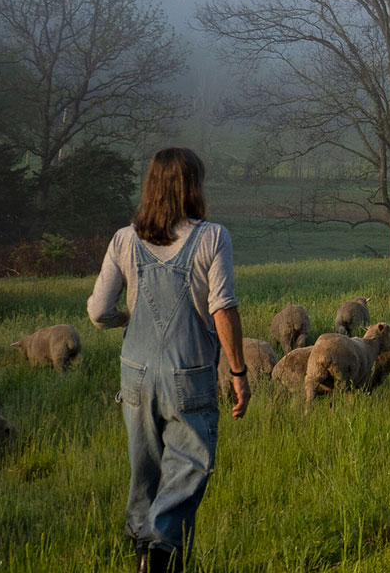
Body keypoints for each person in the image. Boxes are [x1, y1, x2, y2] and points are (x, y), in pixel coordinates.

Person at [87, 147, 251, 573]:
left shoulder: (125, 239)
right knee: (190, 466)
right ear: (193, 186)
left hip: (135, 374)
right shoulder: (213, 237)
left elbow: (98, 312)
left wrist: (128, 316)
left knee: (145, 469)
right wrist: (238, 371)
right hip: (189, 373)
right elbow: (223, 308)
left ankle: (144, 551)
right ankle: (160, 553)